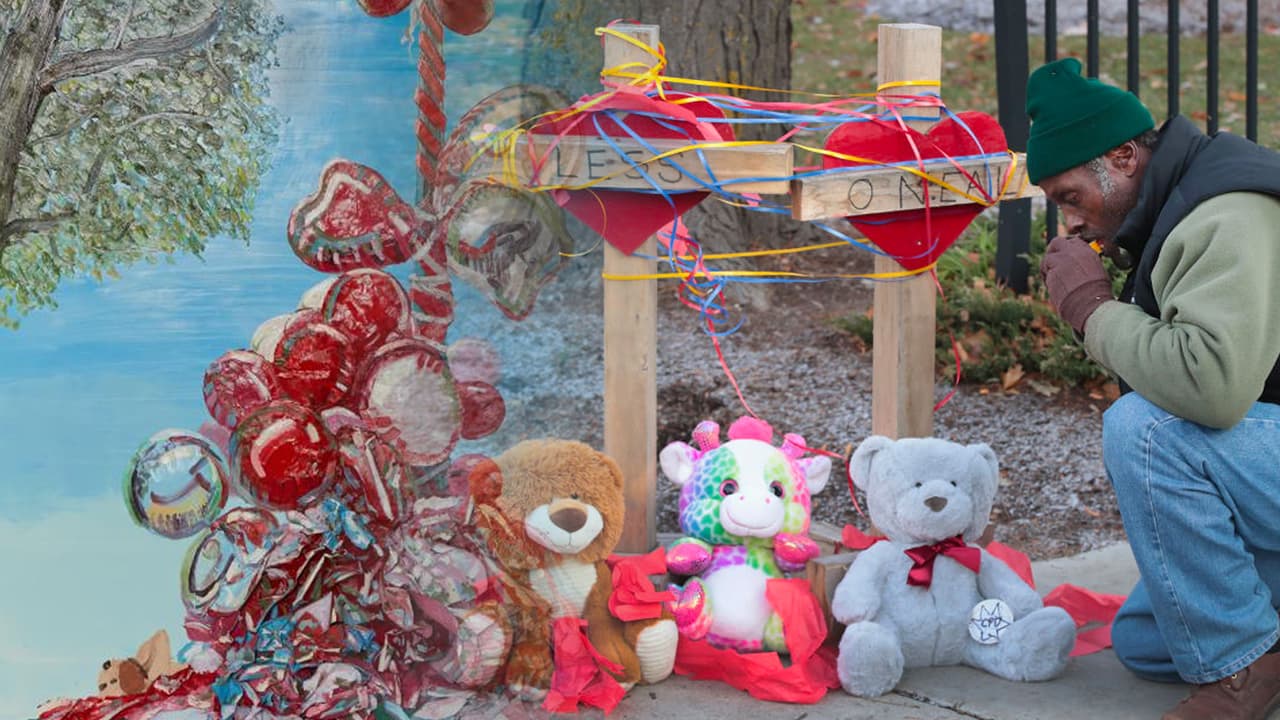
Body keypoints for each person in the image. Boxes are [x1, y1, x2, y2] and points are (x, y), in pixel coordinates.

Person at [1027, 57, 1280, 720]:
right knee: (1147, 640)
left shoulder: (1226, 212)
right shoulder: (1182, 198)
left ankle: (1240, 670)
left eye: (1069, 197)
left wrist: (1091, 309)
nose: (1069, 222)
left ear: (1123, 157)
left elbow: (1211, 387)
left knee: (1144, 431)